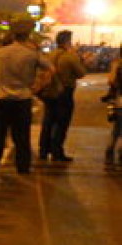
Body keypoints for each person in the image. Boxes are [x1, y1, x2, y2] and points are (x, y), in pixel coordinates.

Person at [0, 19, 52, 174]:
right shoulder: (32, 54)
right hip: (23, 98)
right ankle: (23, 166)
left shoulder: (1, 52)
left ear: (13, 34)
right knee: (22, 136)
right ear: (28, 35)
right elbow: (51, 69)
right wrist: (38, 86)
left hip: (2, 97)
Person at [38, 30, 87, 162]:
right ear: (67, 42)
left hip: (49, 92)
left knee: (48, 121)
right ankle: (57, 151)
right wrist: (82, 60)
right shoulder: (69, 57)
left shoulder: (49, 55)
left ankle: (43, 150)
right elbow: (81, 73)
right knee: (61, 123)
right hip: (64, 92)